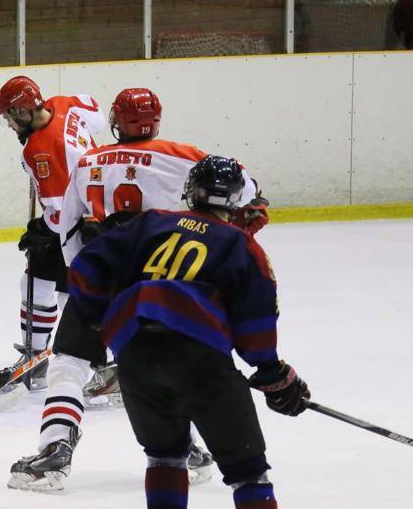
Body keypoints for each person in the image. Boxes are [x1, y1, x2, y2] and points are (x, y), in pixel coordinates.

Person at [8, 88, 265, 491]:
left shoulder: (90, 160)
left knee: (69, 362)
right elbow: (244, 190)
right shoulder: (184, 155)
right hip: (165, 282)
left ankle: (55, 450)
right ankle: (190, 450)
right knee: (162, 361)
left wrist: (84, 280)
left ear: (115, 121)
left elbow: (67, 229)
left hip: (105, 269)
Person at [52, 155, 309, 508]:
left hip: (136, 353)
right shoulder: (241, 245)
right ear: (235, 199)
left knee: (165, 456)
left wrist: (101, 315)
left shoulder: (150, 223)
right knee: (249, 472)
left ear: (190, 191)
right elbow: (255, 324)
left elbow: (85, 267)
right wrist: (274, 374)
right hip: (199, 358)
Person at [0, 75, 107, 390]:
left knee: (47, 287)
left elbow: (59, 218)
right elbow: (95, 109)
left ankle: (48, 358)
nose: (11, 126)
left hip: (79, 225)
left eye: (10, 118)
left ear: (23, 112)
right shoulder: (65, 104)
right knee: (66, 290)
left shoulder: (42, 150)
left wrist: (41, 230)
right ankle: (55, 358)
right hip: (99, 214)